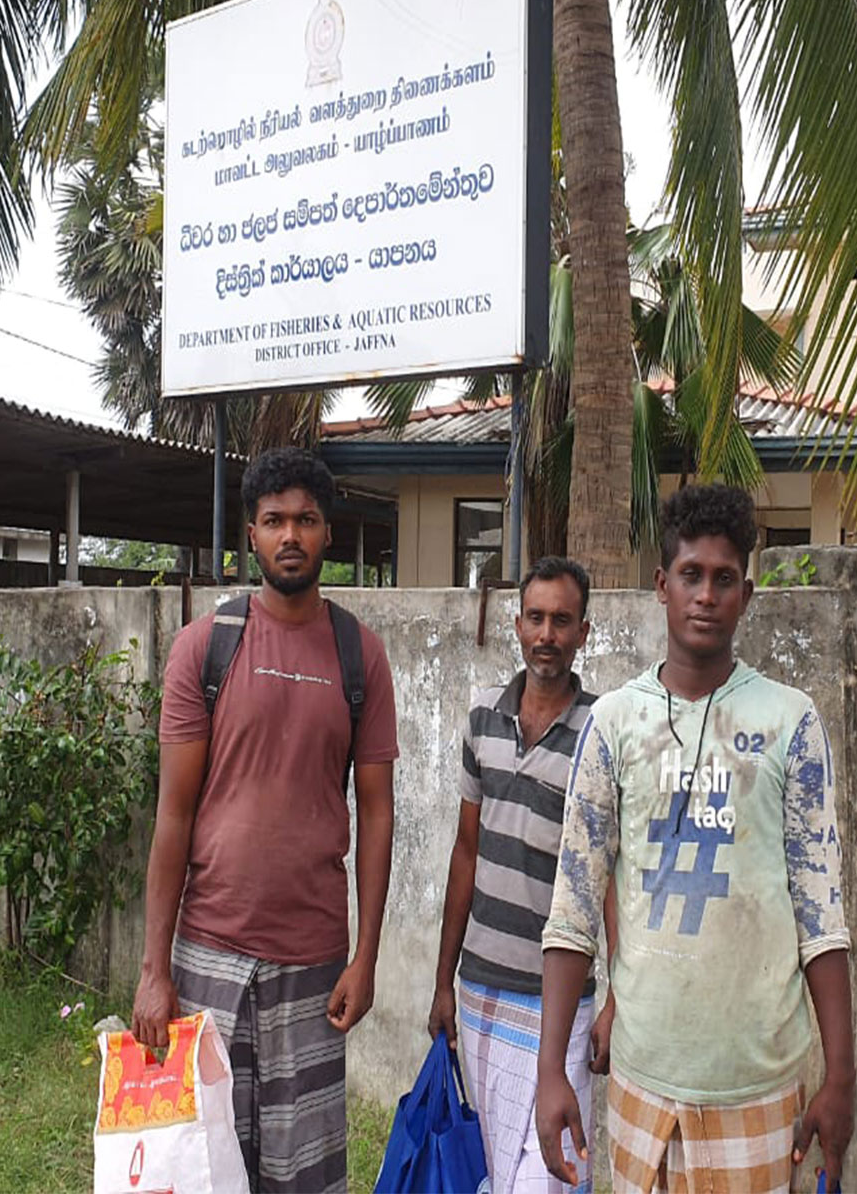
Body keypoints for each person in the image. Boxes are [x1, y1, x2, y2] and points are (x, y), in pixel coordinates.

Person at [536, 485, 855, 1194]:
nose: (706, 595)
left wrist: (841, 1076)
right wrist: (549, 1068)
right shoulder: (614, 723)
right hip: (640, 1079)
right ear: (662, 586)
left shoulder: (789, 723)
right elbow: (575, 906)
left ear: (747, 593)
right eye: (690, 576)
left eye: (723, 579)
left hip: (758, 1085)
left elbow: (820, 912)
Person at [134, 447, 398, 1193]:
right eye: (275, 520)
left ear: (326, 535)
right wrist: (156, 971)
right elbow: (173, 816)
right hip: (207, 955)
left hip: (314, 965)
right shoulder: (204, 647)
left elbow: (377, 814)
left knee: (303, 1175)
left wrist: (365, 956)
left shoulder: (360, 657)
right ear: (250, 533)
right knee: (206, 1165)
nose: (291, 535)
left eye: (307, 520)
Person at [428, 556, 613, 1194]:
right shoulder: (483, 716)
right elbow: (465, 851)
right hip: (480, 992)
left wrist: (616, 1000)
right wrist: (442, 983)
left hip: (557, 1003)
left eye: (562, 621)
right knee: (494, 1163)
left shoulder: (600, 730)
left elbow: (611, 877)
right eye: (536, 618)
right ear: (517, 624)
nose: (547, 634)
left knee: (549, 1176)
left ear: (583, 632)